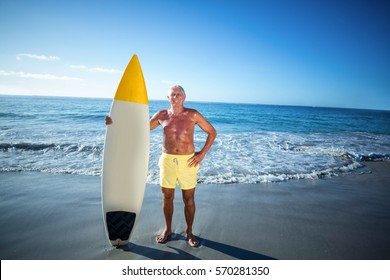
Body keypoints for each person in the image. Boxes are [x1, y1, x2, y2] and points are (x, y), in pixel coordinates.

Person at [106, 85, 216, 247]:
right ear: (168, 98)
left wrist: (202, 154)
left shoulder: (193, 114)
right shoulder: (162, 115)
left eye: (179, 94)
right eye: (172, 95)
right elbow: (140, 129)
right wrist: (114, 123)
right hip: (167, 161)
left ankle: (190, 232)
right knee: (167, 197)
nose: (176, 97)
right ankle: (168, 230)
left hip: (188, 162)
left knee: (189, 199)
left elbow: (212, 132)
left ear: (184, 97)